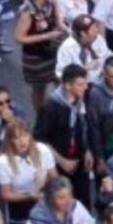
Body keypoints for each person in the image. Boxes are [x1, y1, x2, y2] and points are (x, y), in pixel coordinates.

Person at [0, 119, 57, 224]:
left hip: (42, 199)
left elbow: (55, 177)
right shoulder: (3, 162)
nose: (22, 141)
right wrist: (29, 195)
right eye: (16, 137)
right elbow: (5, 194)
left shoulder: (42, 150)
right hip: (19, 204)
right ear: (10, 141)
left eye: (24, 135)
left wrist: (45, 183)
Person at [34, 64, 93, 205]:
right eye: (80, 84)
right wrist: (61, 160)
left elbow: (83, 126)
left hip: (78, 158)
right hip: (59, 163)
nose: (85, 87)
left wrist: (87, 150)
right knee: (63, 202)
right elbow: (39, 139)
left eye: (85, 83)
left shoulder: (80, 98)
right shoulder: (50, 107)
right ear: (67, 85)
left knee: (83, 200)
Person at [15, 0, 64, 112]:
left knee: (61, 83)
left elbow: (58, 23)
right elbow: (19, 37)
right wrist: (46, 36)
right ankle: (40, 114)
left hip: (54, 52)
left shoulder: (51, 2)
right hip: (36, 58)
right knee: (39, 89)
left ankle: (62, 112)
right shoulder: (27, 12)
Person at [55, 14, 112, 84]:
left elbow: (106, 55)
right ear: (83, 33)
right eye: (93, 29)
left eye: (96, 27)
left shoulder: (98, 39)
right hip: (77, 86)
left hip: (98, 82)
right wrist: (84, 69)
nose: (96, 30)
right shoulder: (67, 47)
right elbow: (61, 73)